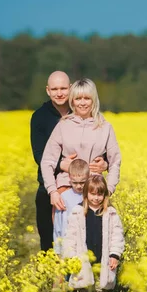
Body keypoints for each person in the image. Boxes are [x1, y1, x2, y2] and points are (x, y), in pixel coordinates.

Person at [30, 71, 107, 251]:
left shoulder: (82, 109)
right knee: (50, 241)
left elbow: (98, 146)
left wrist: (105, 164)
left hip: (83, 187)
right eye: (55, 89)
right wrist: (63, 165)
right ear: (48, 91)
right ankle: (52, 278)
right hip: (49, 188)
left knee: (87, 239)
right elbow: (40, 155)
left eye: (63, 88)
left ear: (70, 88)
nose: (59, 93)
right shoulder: (40, 117)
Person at [41, 78, 121, 213]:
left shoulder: (105, 127)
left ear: (94, 100)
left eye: (87, 98)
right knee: (65, 232)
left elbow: (115, 162)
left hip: (95, 190)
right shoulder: (63, 125)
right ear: (72, 101)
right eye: (78, 99)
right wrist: (53, 191)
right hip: (66, 185)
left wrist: (109, 189)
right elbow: (47, 161)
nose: (82, 103)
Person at [63, 174, 125, 292]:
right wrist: (71, 256)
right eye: (92, 194)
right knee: (82, 287)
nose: (96, 198)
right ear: (86, 193)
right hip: (82, 257)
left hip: (102, 257)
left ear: (105, 195)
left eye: (100, 194)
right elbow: (70, 236)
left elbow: (117, 236)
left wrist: (114, 255)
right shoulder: (78, 212)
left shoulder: (110, 213)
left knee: (101, 288)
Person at [53, 158, 90, 255]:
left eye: (82, 182)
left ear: (88, 177)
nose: (79, 186)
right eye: (75, 182)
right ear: (69, 178)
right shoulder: (64, 197)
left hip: (87, 245)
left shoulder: (91, 196)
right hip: (68, 245)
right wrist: (57, 249)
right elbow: (58, 225)